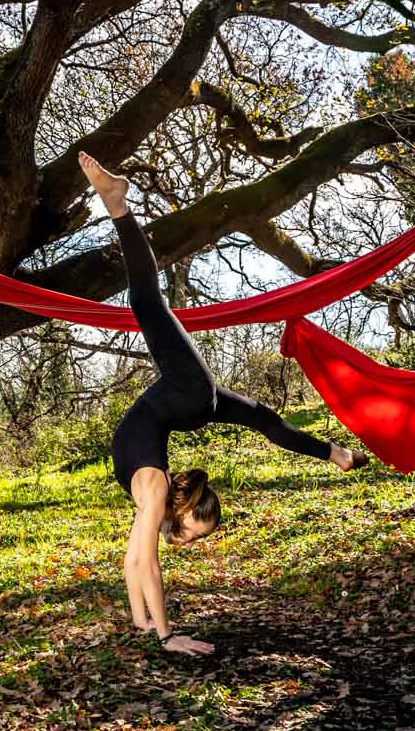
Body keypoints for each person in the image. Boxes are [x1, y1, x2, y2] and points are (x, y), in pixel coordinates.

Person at [77, 151, 370, 656]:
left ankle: (336, 454)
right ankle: (118, 205)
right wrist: (168, 636)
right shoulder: (155, 488)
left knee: (264, 419)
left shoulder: (154, 492)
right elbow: (145, 565)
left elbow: (132, 562)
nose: (187, 542)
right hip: (186, 392)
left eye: (192, 537)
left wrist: (142, 623)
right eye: (193, 532)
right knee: (147, 302)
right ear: (183, 509)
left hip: (186, 405)